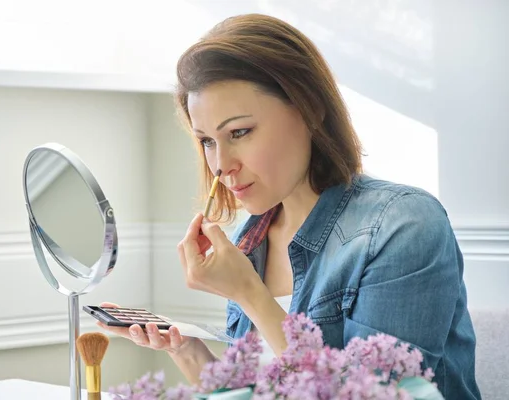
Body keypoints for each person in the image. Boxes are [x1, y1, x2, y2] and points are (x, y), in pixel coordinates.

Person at [98, 13, 481, 399]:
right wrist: (189, 352)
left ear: (309, 109)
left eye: (240, 132)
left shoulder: (404, 226)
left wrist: (250, 293)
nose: (221, 165)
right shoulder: (249, 240)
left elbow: (368, 395)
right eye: (207, 141)